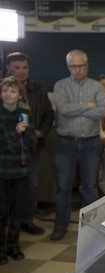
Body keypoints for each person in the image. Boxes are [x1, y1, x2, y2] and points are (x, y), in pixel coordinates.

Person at [51, 50, 105, 241]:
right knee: (63, 187)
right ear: (68, 67)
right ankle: (60, 225)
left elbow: (102, 110)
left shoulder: (97, 87)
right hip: (65, 144)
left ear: (87, 65)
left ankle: (90, 225)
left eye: (81, 65)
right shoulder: (60, 85)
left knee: (90, 187)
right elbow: (63, 109)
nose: (78, 69)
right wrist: (87, 106)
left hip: (90, 144)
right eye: (74, 66)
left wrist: (77, 108)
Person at [5, 52, 55, 236]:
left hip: (33, 147)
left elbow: (49, 114)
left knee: (31, 186)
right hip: (8, 149)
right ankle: (8, 222)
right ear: (8, 68)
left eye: (25, 68)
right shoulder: (3, 90)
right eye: (17, 68)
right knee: (8, 188)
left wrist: (41, 131)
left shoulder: (39, 89)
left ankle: (26, 220)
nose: (21, 72)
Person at [0, 77, 35, 264]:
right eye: (5, 90)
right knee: (2, 211)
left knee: (17, 210)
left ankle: (14, 245)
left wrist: (21, 137)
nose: (8, 94)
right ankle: (1, 248)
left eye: (12, 91)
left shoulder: (25, 113)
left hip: (21, 171)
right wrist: (16, 133)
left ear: (19, 94)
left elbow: (30, 140)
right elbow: (4, 143)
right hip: (2, 170)